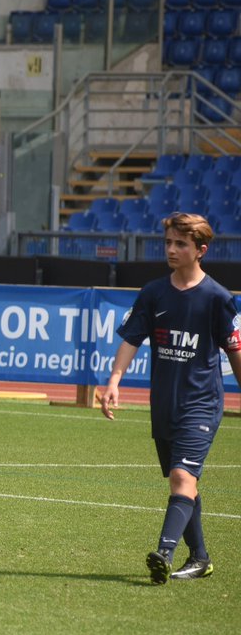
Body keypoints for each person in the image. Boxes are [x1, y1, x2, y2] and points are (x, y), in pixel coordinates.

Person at [100, 212, 241, 584]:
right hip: (163, 405)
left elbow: (235, 350)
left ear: (201, 250)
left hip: (202, 404)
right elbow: (131, 338)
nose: (172, 250)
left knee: (182, 476)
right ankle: (201, 558)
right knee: (184, 482)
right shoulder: (153, 292)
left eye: (181, 244)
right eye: (168, 243)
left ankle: (164, 552)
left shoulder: (218, 299)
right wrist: (114, 380)